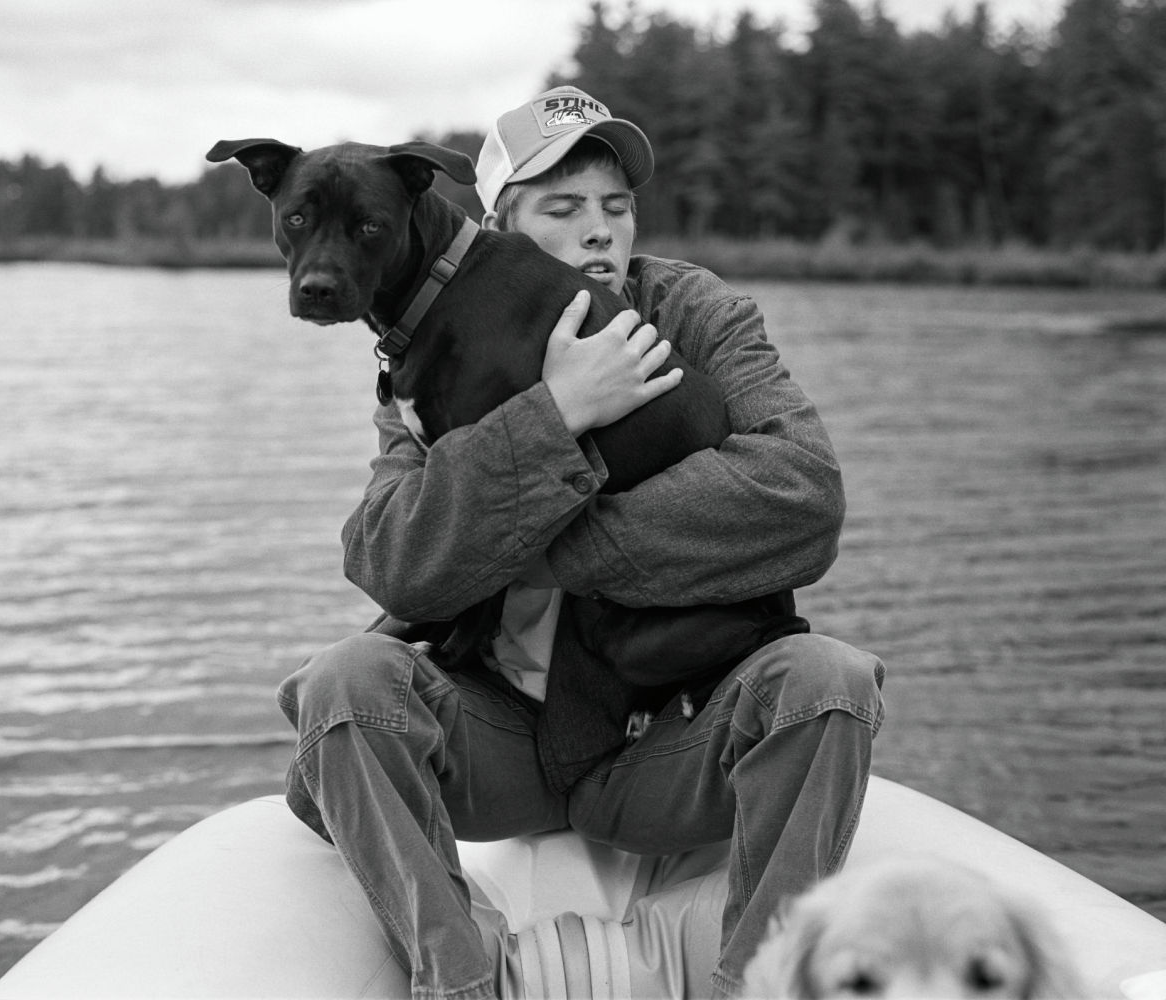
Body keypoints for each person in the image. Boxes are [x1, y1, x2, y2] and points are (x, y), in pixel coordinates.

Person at [277, 85, 886, 1000]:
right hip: (503, 744)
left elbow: (802, 499)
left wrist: (536, 546)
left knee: (827, 681)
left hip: (671, 741)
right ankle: (461, 984)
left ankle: (759, 987)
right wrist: (554, 414)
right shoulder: (424, 355)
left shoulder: (699, 315)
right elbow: (392, 558)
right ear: (498, 226)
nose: (598, 231)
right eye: (562, 208)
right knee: (344, 684)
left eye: (616, 206)